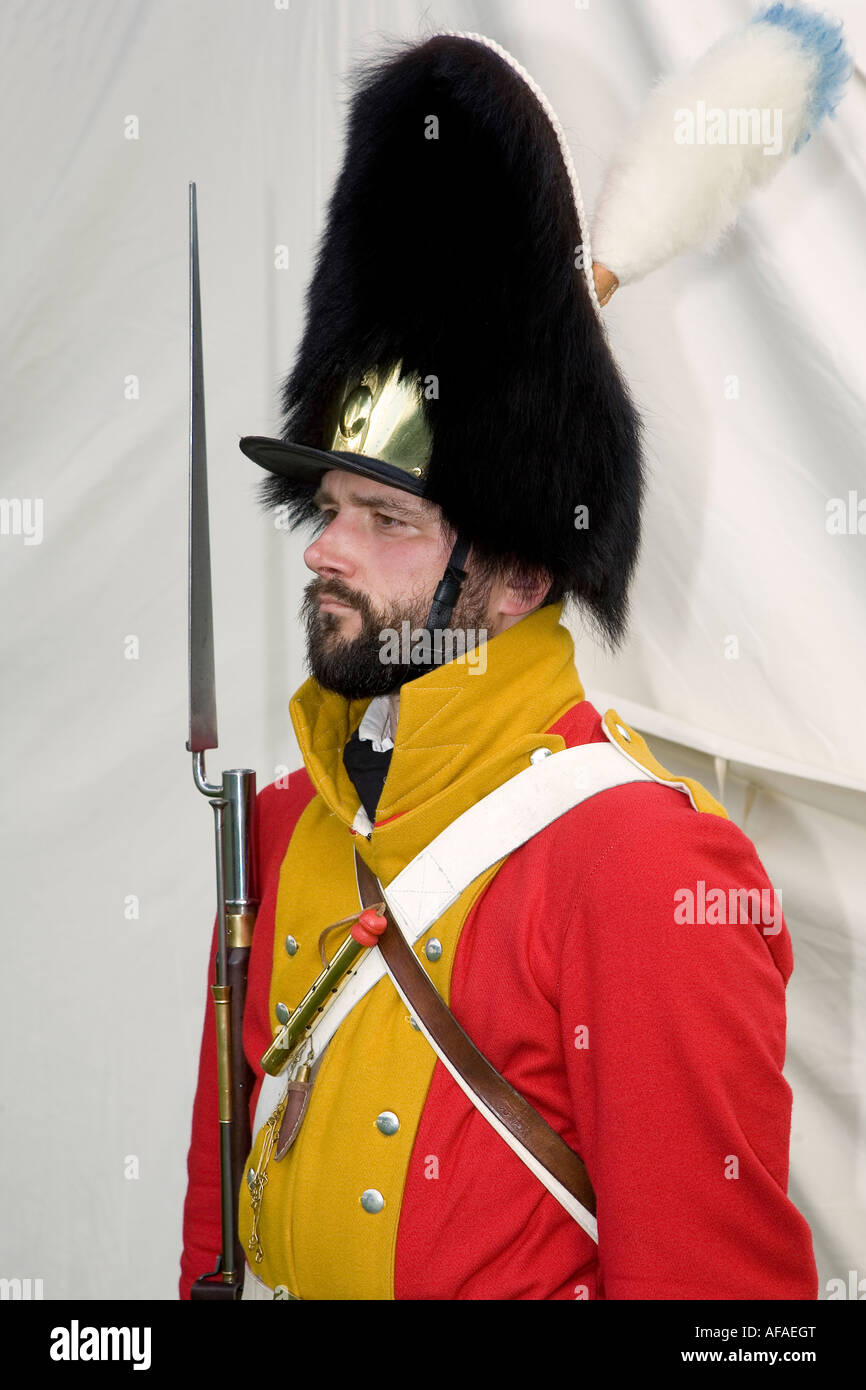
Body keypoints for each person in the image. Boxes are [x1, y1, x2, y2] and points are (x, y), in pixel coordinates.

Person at [180, 24, 832, 1300]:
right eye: (324, 509)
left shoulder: (644, 866)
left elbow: (718, 1304)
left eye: (385, 521)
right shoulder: (281, 825)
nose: (323, 551)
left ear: (525, 572)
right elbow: (222, 1203)